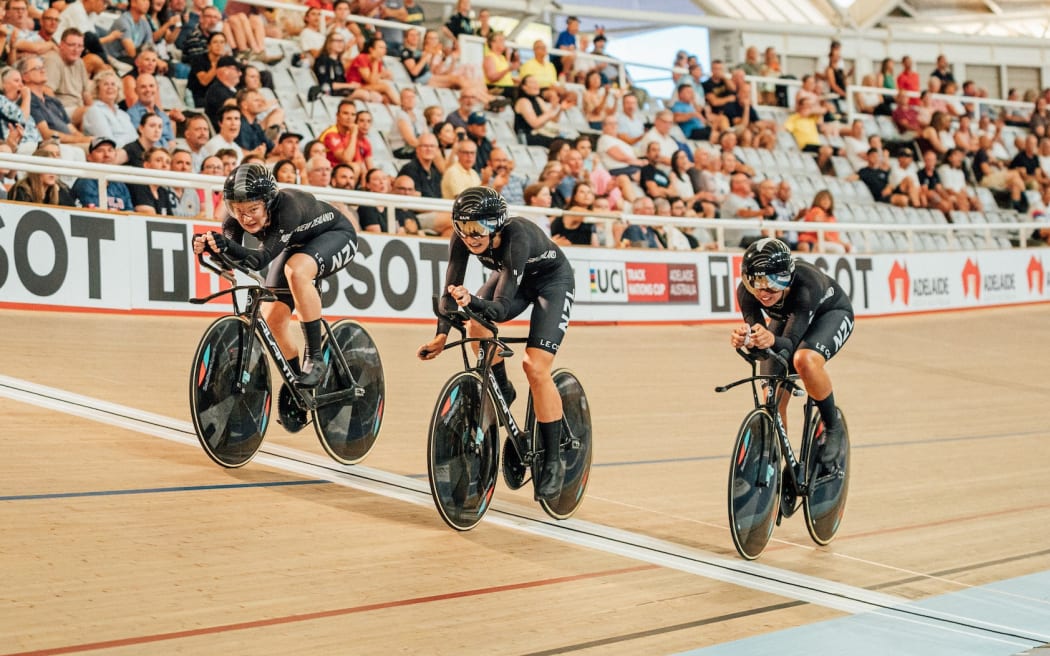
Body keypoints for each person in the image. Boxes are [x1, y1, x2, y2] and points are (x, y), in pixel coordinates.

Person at [417, 186, 575, 500]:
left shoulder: (517, 237)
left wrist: (471, 298)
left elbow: (501, 308)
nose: (471, 236)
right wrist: (440, 335)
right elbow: (451, 291)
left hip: (551, 282)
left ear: (498, 225)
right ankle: (502, 386)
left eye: (479, 228)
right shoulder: (462, 240)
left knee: (535, 366)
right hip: (512, 277)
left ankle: (555, 458)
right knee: (476, 324)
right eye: (463, 227)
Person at [193, 163, 359, 388]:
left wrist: (227, 247)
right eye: (238, 210)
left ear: (268, 203)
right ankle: (296, 386)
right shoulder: (234, 219)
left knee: (297, 271)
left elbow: (260, 259)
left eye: (253, 209)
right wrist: (214, 250)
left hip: (335, 235)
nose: (246, 218)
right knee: (272, 321)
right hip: (294, 244)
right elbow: (232, 261)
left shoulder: (287, 208)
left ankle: (315, 358)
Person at [729, 237, 854, 464]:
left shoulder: (806, 284)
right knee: (771, 393)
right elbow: (763, 348)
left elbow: (789, 344)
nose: (763, 293)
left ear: (786, 279)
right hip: (791, 319)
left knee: (804, 359)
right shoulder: (747, 293)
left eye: (772, 285)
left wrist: (769, 340)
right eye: (755, 284)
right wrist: (748, 340)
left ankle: (832, 426)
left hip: (829, 314)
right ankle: (775, 462)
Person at [9, 147, 75, 206]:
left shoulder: (57, 190)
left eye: (54, 167)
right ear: (36, 169)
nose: (52, 173)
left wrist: (59, 192)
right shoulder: (22, 190)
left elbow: (72, 211)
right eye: (47, 167)